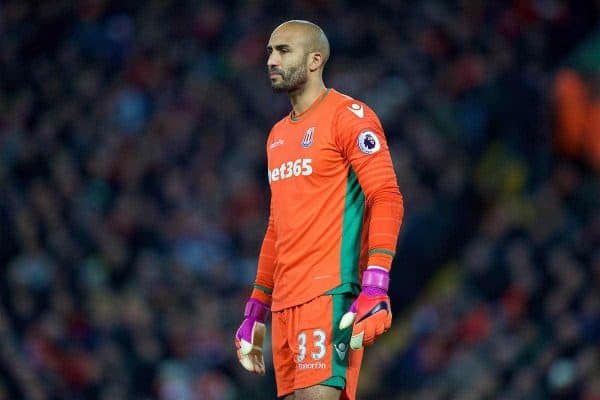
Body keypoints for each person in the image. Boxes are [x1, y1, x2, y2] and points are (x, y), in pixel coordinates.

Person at [235, 20, 404, 400]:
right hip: (285, 307)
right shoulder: (277, 136)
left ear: (315, 60)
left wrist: (377, 283)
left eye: (283, 51)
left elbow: (387, 196)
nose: (271, 60)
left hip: (329, 295)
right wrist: (256, 309)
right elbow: (277, 228)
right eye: (269, 51)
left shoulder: (349, 117)